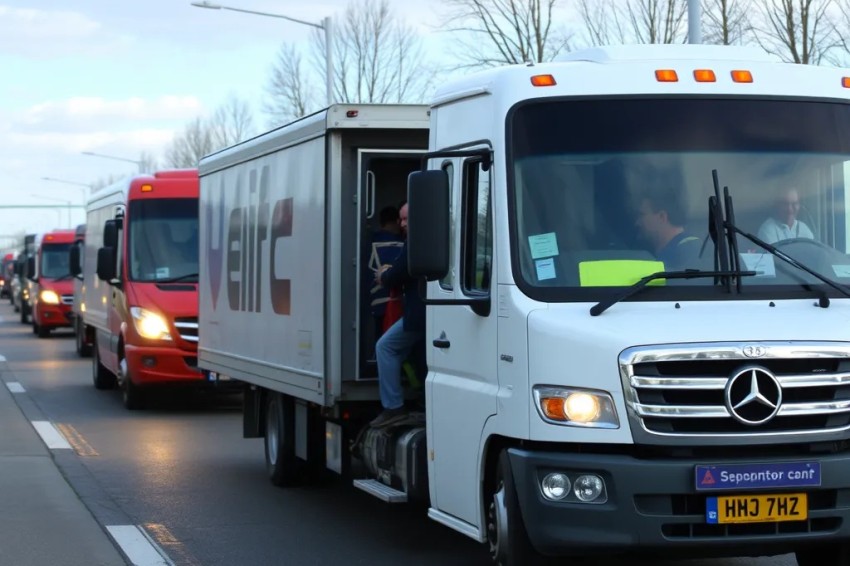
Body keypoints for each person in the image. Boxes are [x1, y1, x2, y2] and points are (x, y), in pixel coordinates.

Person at [369, 202, 425, 428]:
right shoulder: (435, 236)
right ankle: (423, 399)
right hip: (433, 315)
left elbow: (399, 273)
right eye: (400, 219)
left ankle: (393, 407)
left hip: (419, 314)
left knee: (385, 347)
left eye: (406, 219)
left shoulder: (416, 241)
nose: (402, 224)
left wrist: (384, 275)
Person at [634, 187, 701, 269]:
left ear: (662, 217)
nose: (637, 222)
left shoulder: (687, 254)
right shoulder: (692, 250)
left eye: (641, 215)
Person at [367, 206, 404, 345]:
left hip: (375, 304)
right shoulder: (401, 244)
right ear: (396, 221)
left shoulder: (369, 241)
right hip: (396, 304)